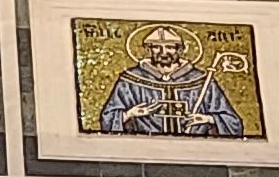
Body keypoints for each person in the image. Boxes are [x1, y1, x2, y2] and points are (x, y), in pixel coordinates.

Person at [94, 24, 246, 136]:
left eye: (170, 47)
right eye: (156, 47)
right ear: (148, 50)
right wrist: (130, 114)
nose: (164, 52)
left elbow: (232, 122)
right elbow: (108, 119)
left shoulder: (201, 81)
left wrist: (208, 119)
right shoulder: (130, 81)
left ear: (179, 50)